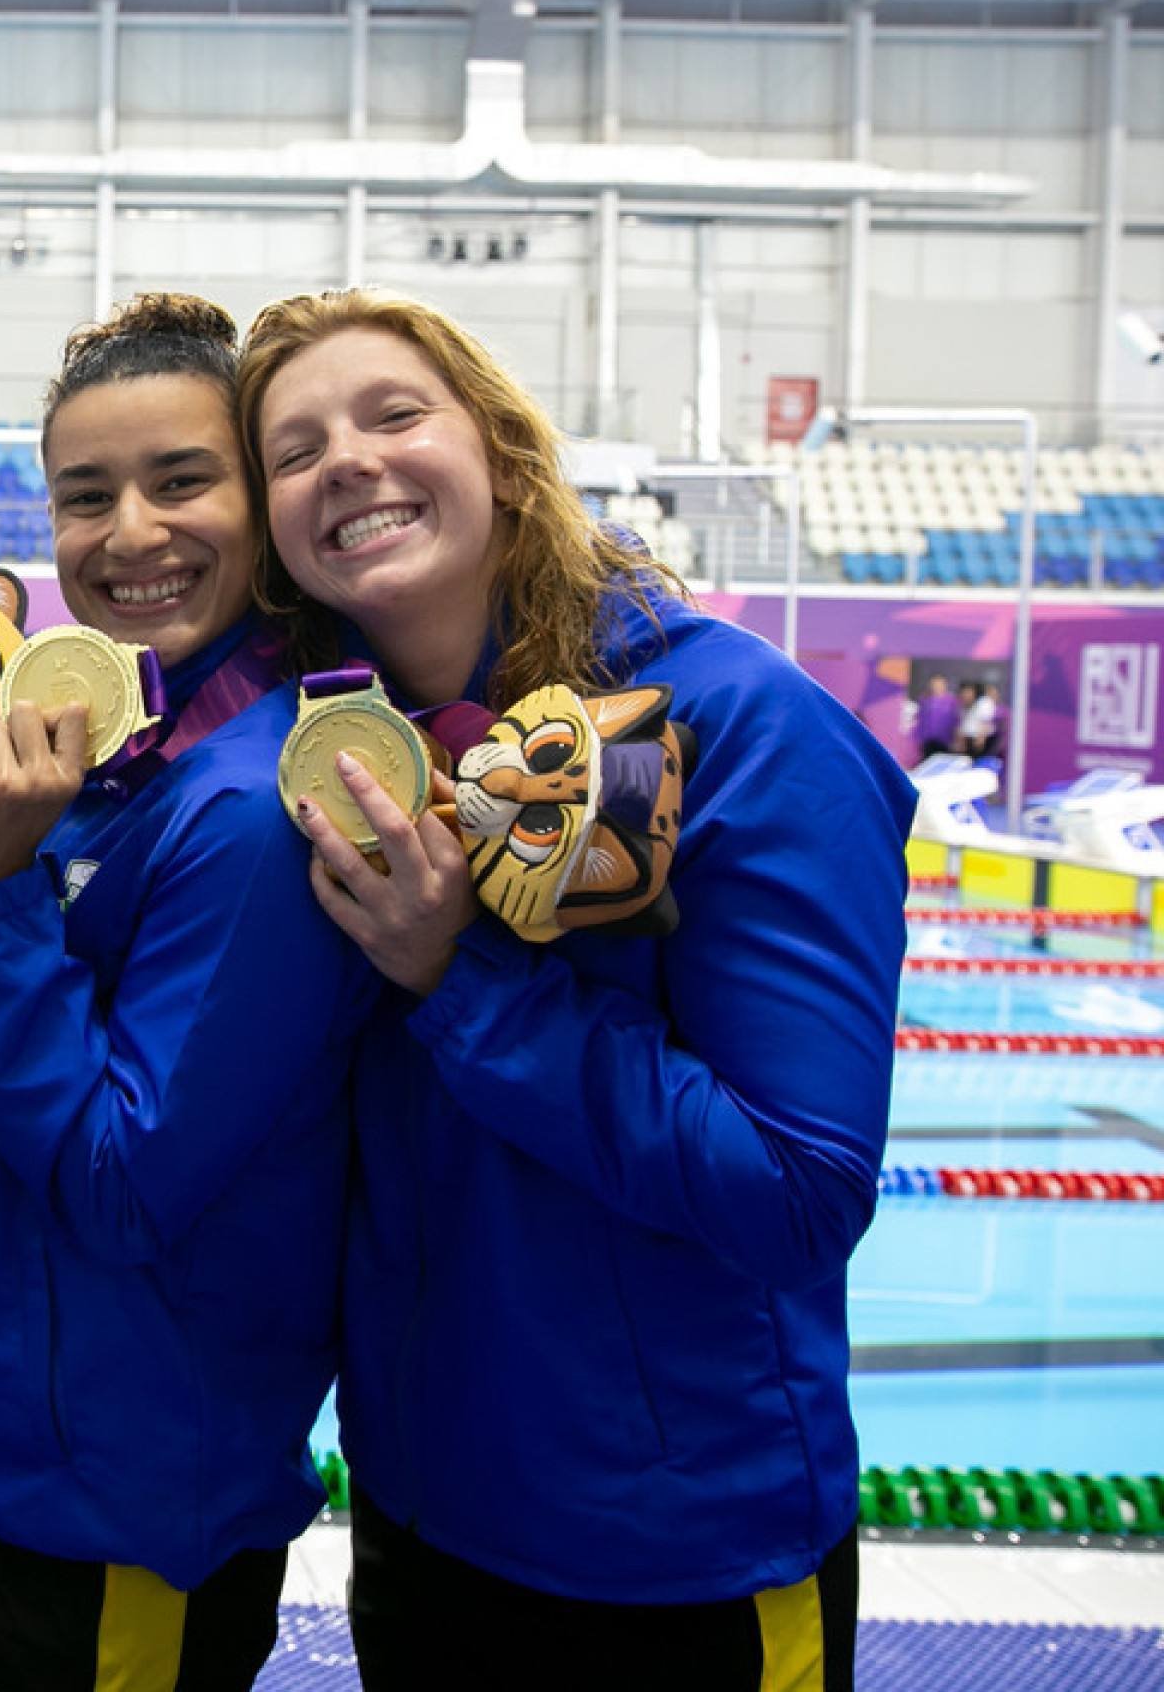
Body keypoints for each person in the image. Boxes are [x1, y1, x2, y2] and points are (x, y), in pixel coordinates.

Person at [234, 288, 913, 1692]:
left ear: (497, 443)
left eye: (392, 413)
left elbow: (799, 1189)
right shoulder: (334, 764)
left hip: (685, 1566)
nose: (345, 460)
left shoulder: (742, 724)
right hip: (422, 1536)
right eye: (292, 452)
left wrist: (459, 978)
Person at [0, 297, 376, 1691]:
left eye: (181, 482)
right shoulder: (123, 756)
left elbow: (123, 1185)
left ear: (266, 501)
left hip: (121, 1512)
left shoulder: (257, 811)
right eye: (85, 496)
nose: (130, 535)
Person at [910, 672, 960, 759]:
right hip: (927, 739)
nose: (936, 686)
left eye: (939, 684)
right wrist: (918, 737)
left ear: (945, 685)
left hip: (945, 739)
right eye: (934, 684)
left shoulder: (952, 701)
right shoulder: (924, 700)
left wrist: (956, 739)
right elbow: (920, 720)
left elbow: (956, 721)